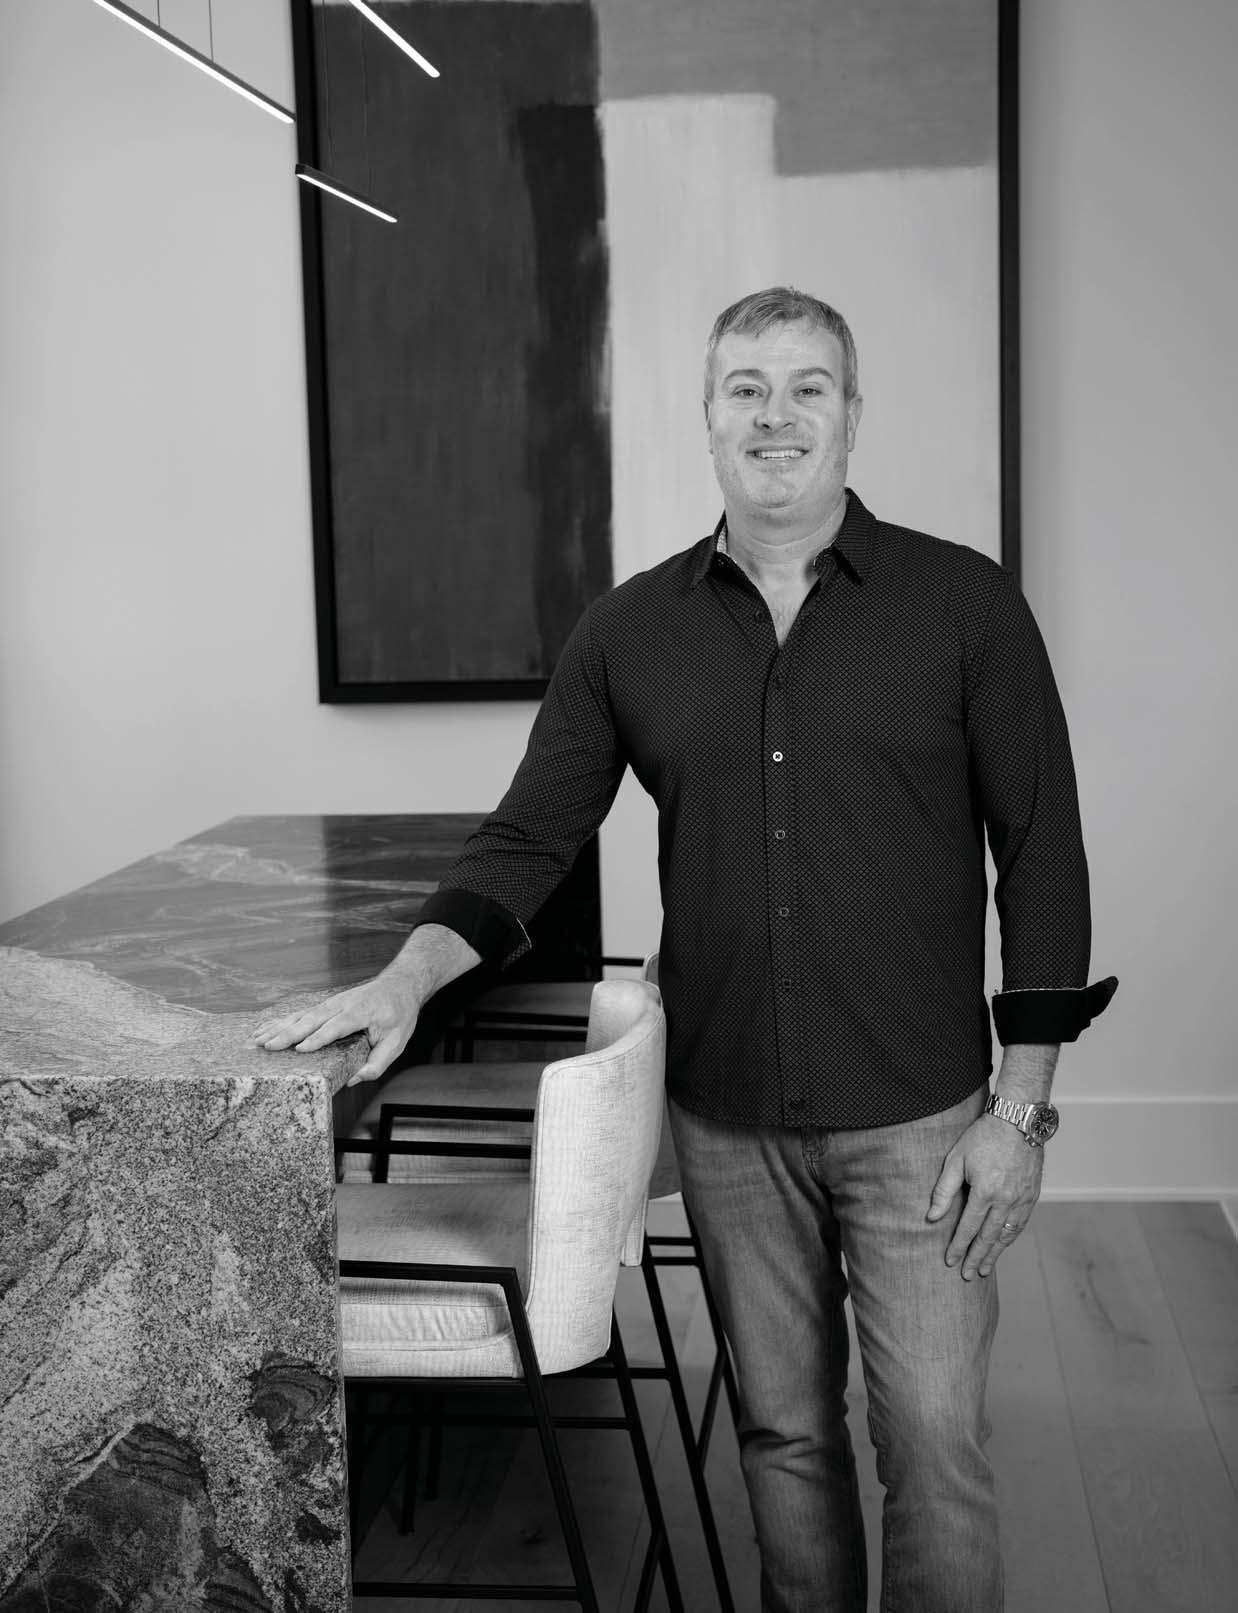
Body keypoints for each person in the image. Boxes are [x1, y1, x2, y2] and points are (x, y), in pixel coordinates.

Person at [253, 286, 1117, 1613]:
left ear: (852, 414)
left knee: (936, 1447)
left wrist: (1021, 1112)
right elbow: (528, 838)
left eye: (807, 386)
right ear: (707, 417)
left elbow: (1043, 851)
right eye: (745, 388)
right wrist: (405, 979)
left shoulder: (964, 605)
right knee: (781, 1437)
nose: (776, 415)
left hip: (926, 1120)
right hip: (724, 1119)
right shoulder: (627, 631)